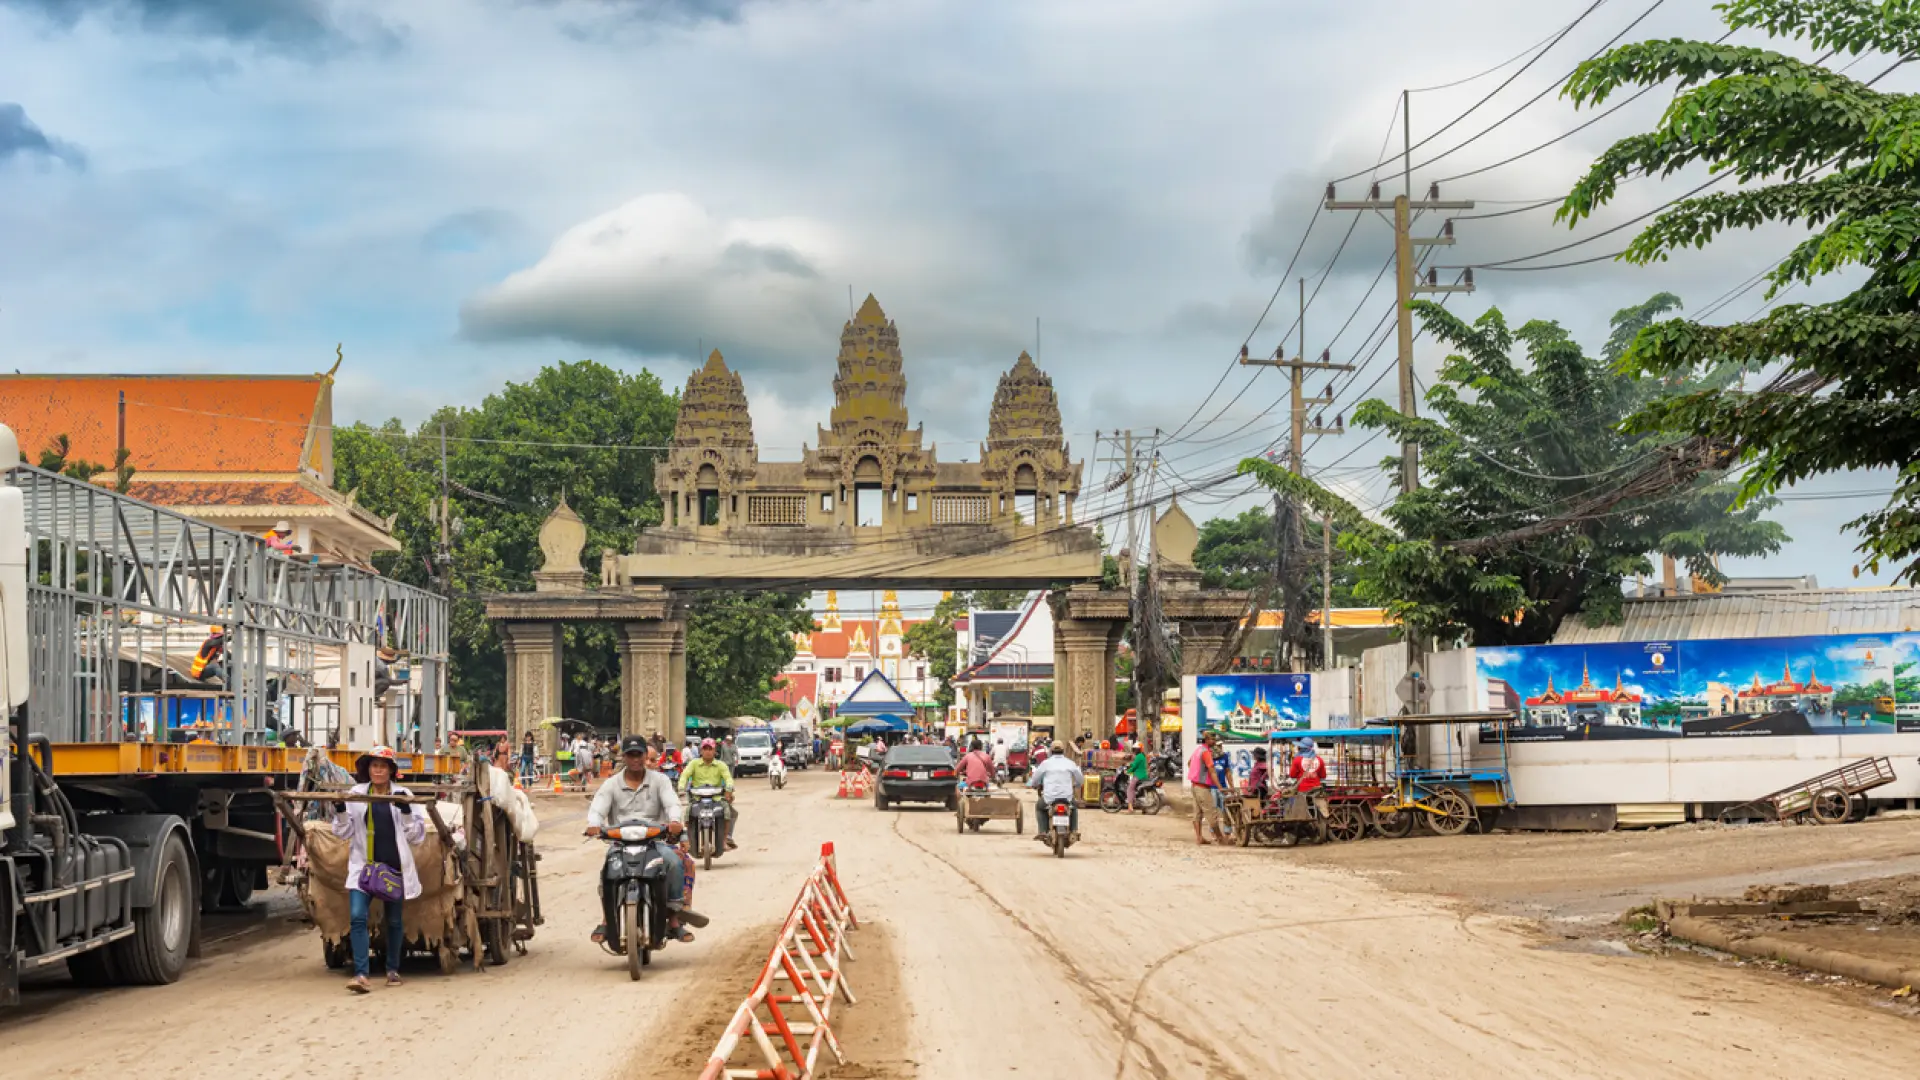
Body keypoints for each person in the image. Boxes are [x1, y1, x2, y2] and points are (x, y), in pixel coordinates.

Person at [585, 735, 707, 945]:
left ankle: (675, 919)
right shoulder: (611, 784)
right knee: (608, 871)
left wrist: (675, 820)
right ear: (623, 757)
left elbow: (672, 804)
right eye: (630, 755)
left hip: (654, 841)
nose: (635, 759)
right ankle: (607, 920)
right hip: (620, 842)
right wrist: (593, 824)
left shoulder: (660, 781)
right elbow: (598, 808)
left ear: (645, 756)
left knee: (674, 862)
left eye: (639, 754)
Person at [331, 745, 426, 994]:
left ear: (391, 770)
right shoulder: (356, 794)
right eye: (374, 766)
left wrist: (406, 812)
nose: (378, 770)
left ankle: (392, 969)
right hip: (363, 868)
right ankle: (361, 974)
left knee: (394, 921)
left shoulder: (404, 794)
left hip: (394, 869)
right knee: (357, 916)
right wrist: (341, 811)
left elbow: (416, 836)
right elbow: (343, 832)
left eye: (383, 766)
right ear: (368, 769)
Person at [679, 737, 738, 849]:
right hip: (697, 798)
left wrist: (729, 788)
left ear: (714, 751)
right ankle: (688, 839)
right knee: (687, 814)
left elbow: (728, 778)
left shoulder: (721, 765)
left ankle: (725, 840)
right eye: (705, 748)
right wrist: (681, 787)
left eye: (710, 749)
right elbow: (685, 775)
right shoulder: (693, 763)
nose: (707, 751)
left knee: (727, 812)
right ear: (701, 751)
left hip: (716, 798)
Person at [1028, 740, 1085, 842]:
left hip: (1049, 797)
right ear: (1063, 751)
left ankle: (1043, 831)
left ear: (1051, 751)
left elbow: (1035, 779)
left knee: (1039, 807)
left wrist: (1034, 785)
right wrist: (1077, 785)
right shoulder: (1070, 763)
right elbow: (1080, 779)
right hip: (1067, 797)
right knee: (1074, 808)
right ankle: (1074, 830)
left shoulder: (1045, 763)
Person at [1188, 732, 1226, 846]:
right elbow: (1212, 771)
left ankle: (1199, 838)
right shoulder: (1206, 752)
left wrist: (1196, 772)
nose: (1214, 742)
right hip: (1202, 787)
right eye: (1213, 739)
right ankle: (1220, 838)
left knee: (1197, 813)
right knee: (1211, 813)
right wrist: (1220, 787)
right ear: (1207, 739)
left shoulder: (1198, 750)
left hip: (1194, 786)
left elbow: (1189, 763)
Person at [1125, 742, 1151, 811]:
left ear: (1139, 750)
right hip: (1144, 775)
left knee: (1130, 789)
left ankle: (1130, 806)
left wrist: (1127, 772)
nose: (1135, 751)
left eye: (1136, 749)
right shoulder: (1142, 756)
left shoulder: (1138, 756)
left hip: (1138, 776)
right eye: (1135, 749)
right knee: (1137, 790)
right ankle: (1143, 808)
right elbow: (1134, 765)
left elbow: (1134, 767)